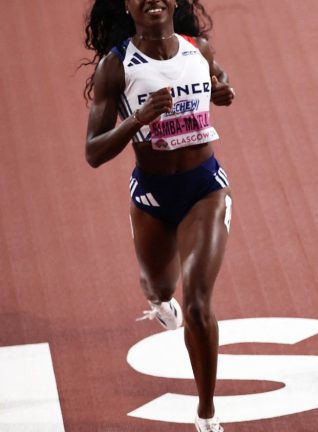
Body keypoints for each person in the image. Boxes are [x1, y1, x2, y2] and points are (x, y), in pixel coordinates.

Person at [83, 1, 235, 430]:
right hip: (152, 196)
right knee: (159, 285)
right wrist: (138, 119)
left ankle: (206, 416)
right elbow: (93, 152)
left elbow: (218, 80)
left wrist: (223, 90)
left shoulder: (197, 49)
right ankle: (156, 299)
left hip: (205, 189)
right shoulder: (116, 68)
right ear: (127, 5)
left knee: (200, 304)